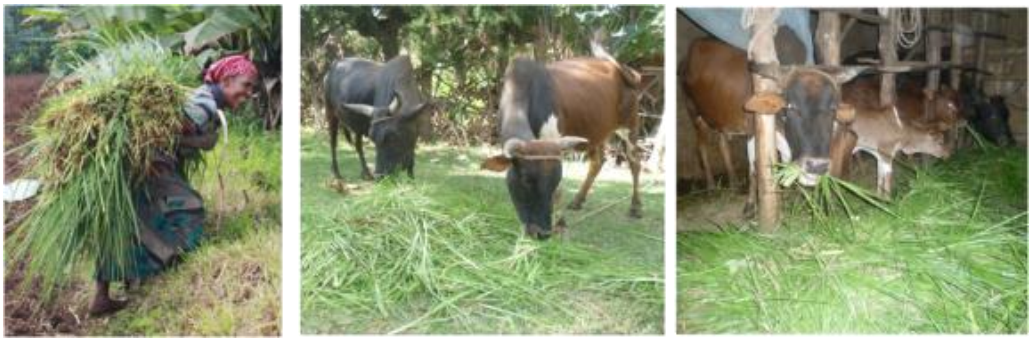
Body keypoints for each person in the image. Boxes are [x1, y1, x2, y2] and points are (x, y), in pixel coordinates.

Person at [90, 55, 258, 316]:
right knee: (190, 211)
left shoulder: (204, 100)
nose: (249, 93)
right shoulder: (204, 104)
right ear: (225, 80)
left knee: (128, 218)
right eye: (246, 85)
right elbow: (168, 130)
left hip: (139, 162)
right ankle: (158, 268)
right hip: (150, 164)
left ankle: (108, 291)